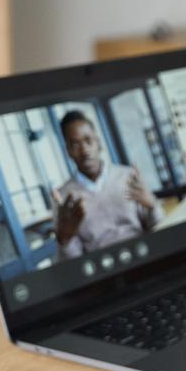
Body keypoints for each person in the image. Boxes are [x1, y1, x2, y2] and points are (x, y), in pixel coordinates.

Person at [53, 110, 162, 259]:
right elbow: (73, 262)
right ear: (68, 151)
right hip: (103, 269)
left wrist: (152, 206)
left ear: (98, 143)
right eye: (75, 144)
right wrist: (65, 239)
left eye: (88, 140)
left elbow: (159, 227)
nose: (84, 150)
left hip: (144, 255)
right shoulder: (64, 198)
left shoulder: (127, 176)